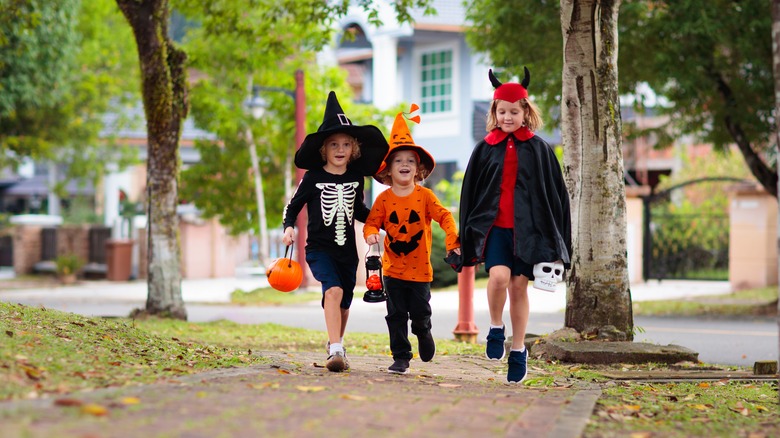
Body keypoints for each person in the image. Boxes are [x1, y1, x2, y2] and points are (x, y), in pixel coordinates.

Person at [457, 68, 571, 383]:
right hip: (496, 229)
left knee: (519, 286)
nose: (508, 117)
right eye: (502, 112)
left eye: (514, 111)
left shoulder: (540, 149)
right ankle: (496, 326)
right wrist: (464, 234)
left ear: (525, 112)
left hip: (528, 232)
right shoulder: (485, 148)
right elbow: (471, 193)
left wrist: (559, 242)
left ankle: (518, 349)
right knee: (498, 278)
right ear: (494, 112)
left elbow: (555, 196)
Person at [282, 91, 389, 373]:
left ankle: (335, 344)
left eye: (345, 144)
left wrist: (384, 221)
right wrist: (288, 227)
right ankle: (337, 349)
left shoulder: (356, 177)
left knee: (344, 302)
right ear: (323, 150)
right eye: (333, 145)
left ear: (353, 149)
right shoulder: (313, 177)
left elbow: (359, 210)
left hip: (347, 252)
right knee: (333, 290)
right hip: (319, 248)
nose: (339, 149)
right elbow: (293, 206)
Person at [363, 106, 461, 375]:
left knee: (419, 313)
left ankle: (423, 331)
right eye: (398, 160)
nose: (404, 164)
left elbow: (445, 218)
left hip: (420, 272)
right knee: (395, 316)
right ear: (388, 170)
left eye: (410, 160)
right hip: (392, 270)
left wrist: (453, 242)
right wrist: (370, 232)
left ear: (418, 169)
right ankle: (401, 356)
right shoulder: (383, 200)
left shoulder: (425, 197)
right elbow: (372, 222)